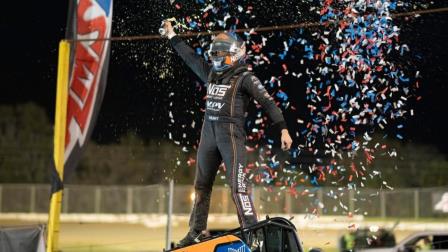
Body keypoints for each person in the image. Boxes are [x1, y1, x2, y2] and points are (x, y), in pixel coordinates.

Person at [161, 20, 293, 247]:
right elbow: (190, 57)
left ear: (236, 55)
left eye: (223, 55)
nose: (218, 59)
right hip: (209, 133)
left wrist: (283, 129)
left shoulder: (246, 78)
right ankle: (195, 231)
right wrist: (172, 35)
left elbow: (268, 102)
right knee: (201, 186)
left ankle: (253, 234)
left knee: (238, 187)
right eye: (216, 55)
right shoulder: (211, 73)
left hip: (230, 136)